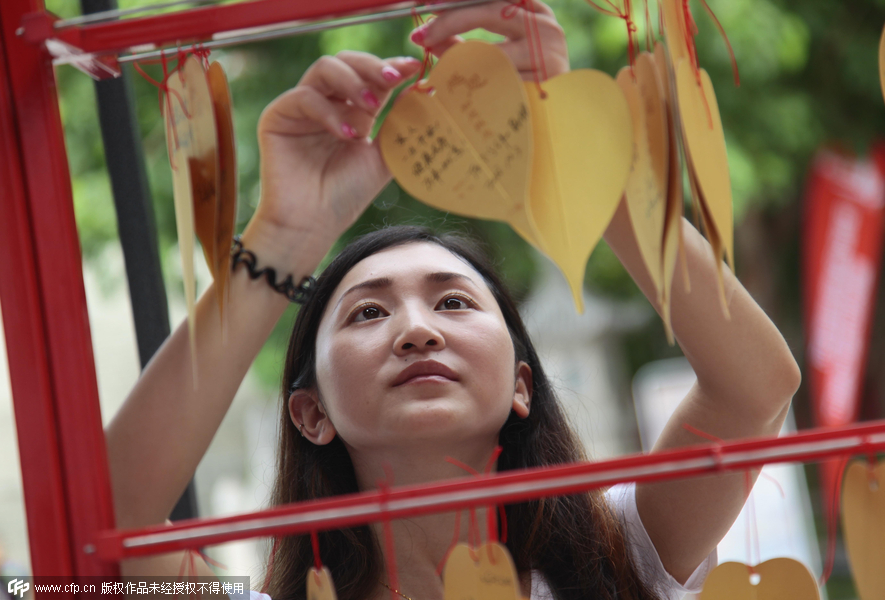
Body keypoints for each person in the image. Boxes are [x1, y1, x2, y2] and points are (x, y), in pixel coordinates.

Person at [105, 2, 801, 599]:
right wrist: (284, 237)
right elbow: (103, 527)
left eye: (455, 304)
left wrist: (567, 149)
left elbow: (755, 387)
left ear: (521, 386)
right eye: (368, 313)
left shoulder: (620, 558)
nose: (416, 330)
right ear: (310, 412)